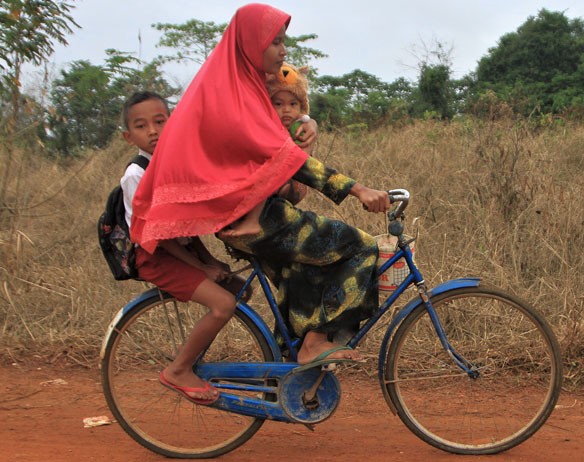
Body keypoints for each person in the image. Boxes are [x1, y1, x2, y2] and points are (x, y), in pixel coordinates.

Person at [129, 4, 389, 404]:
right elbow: (289, 158)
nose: (284, 51)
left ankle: (294, 370)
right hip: (255, 221)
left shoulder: (238, 85)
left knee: (303, 276)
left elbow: (286, 159)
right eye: (276, 41)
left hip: (241, 218)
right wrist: (357, 190)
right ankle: (314, 343)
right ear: (252, 44)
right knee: (361, 246)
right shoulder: (238, 96)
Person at [121, 91, 247, 405]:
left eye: (159, 121)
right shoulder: (136, 176)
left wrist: (211, 260)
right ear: (128, 136)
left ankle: (197, 356)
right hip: (155, 257)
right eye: (141, 126)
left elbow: (187, 227)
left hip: (181, 249)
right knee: (223, 305)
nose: (152, 130)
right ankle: (179, 369)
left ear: (172, 122)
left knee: (240, 289)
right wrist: (202, 267)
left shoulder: (174, 163)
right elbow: (159, 235)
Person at [223, 62, 313, 237]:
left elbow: (302, 161)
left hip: (293, 179)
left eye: (293, 104)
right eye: (278, 104)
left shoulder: (301, 126)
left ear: (301, 107)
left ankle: (256, 219)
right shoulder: (263, 127)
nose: (286, 110)